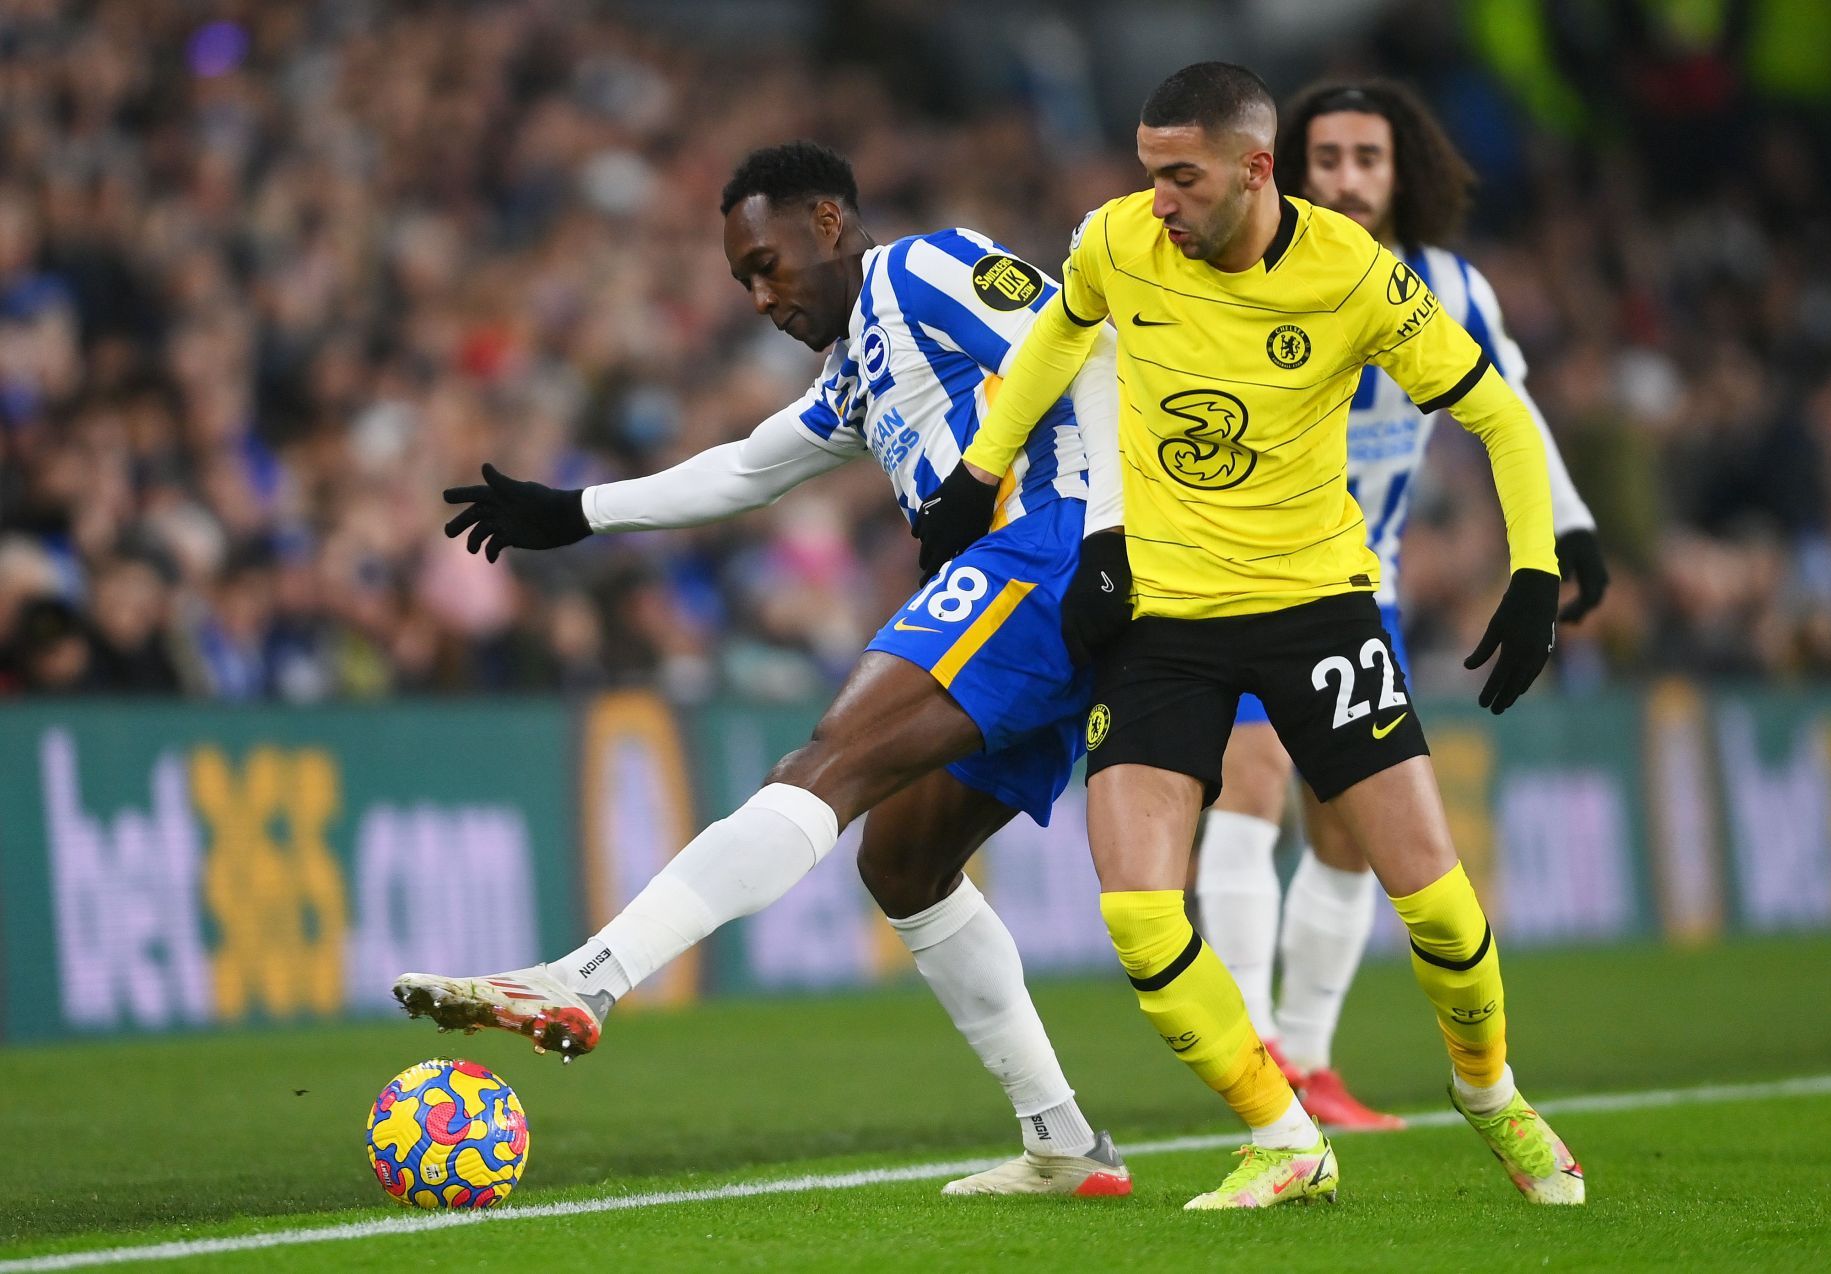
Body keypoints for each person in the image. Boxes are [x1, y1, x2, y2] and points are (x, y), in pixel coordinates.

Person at [402, 142, 1134, 1199]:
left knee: (825, 761)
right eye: (742, 277)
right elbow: (751, 465)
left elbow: (1094, 347)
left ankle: (590, 977)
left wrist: (1104, 536)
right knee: (905, 864)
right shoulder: (856, 369)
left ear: (828, 223)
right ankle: (1063, 1141)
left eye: (766, 262)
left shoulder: (928, 270)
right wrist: (575, 512)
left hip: (1053, 552)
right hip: (1039, 572)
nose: (758, 295)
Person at [917, 62, 1584, 1210]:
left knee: (1434, 903)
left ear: (1255, 168)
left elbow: (1497, 414)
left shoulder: (1354, 275)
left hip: (1317, 609)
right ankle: (1282, 1132)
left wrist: (1534, 569)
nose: (1158, 200)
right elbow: (1055, 344)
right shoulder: (1116, 241)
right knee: (1134, 911)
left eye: (1181, 177)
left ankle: (1492, 1093)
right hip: (1164, 621)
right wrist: (978, 472)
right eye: (1147, 174)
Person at [1189, 79, 1610, 1133]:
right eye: (1324, 158)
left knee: (1346, 836)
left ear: (1401, 171)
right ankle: (1257, 1051)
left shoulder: (1449, 289)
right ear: (1288, 170)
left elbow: (1506, 412)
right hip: (1234, 577)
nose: (1344, 178)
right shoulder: (1239, 271)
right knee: (1248, 780)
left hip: (1359, 592)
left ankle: (1313, 1060)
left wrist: (1566, 530)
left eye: (1365, 159)